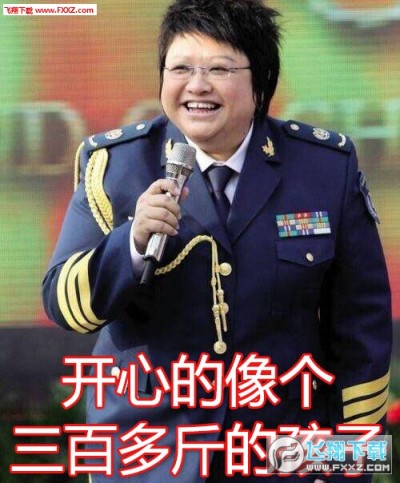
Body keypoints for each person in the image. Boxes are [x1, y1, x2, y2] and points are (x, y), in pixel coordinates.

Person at [42, 0, 392, 481]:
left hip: (285, 457)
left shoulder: (325, 167)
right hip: (151, 458)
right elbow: (66, 307)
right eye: (180, 68)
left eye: (219, 69)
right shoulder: (114, 167)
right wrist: (133, 244)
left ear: (260, 80)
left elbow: (361, 328)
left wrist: (350, 464)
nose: (197, 85)